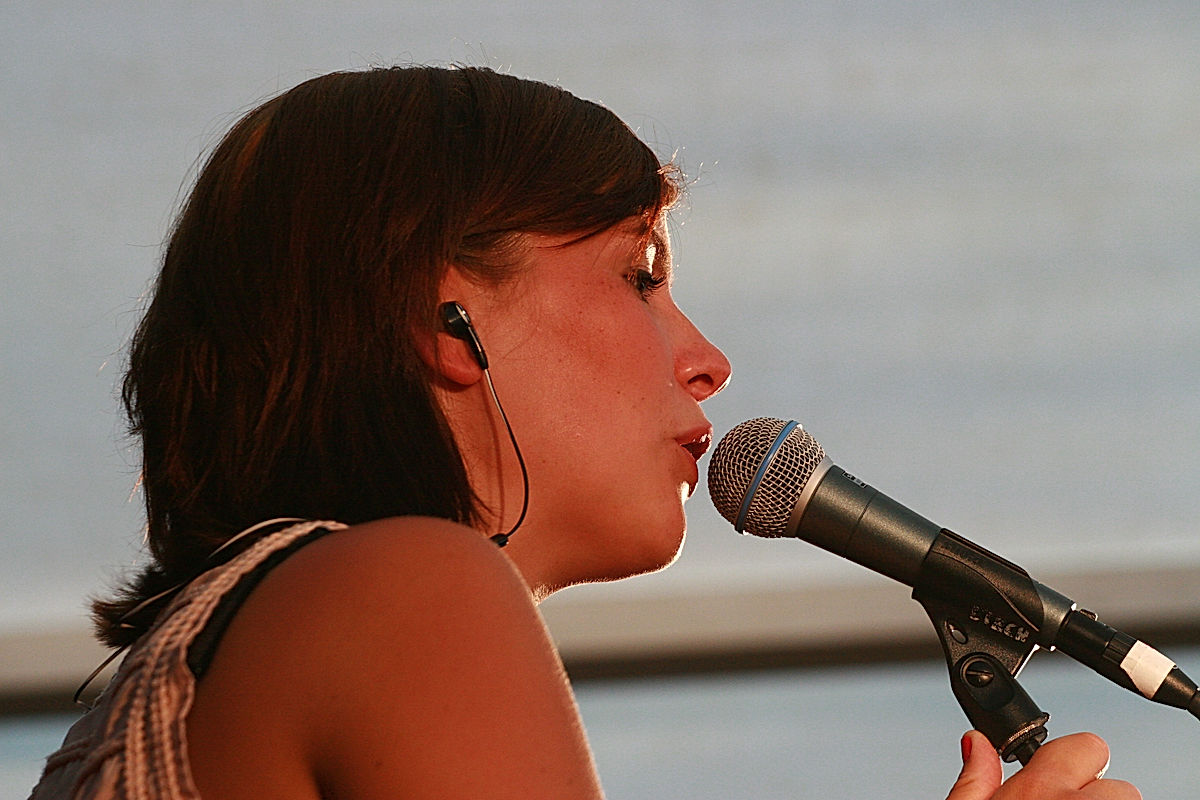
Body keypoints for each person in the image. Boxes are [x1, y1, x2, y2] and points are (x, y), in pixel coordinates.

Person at [29, 65, 1139, 800]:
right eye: (640, 274)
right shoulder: (405, 586)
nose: (709, 357)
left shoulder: (194, 666)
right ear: (444, 318)